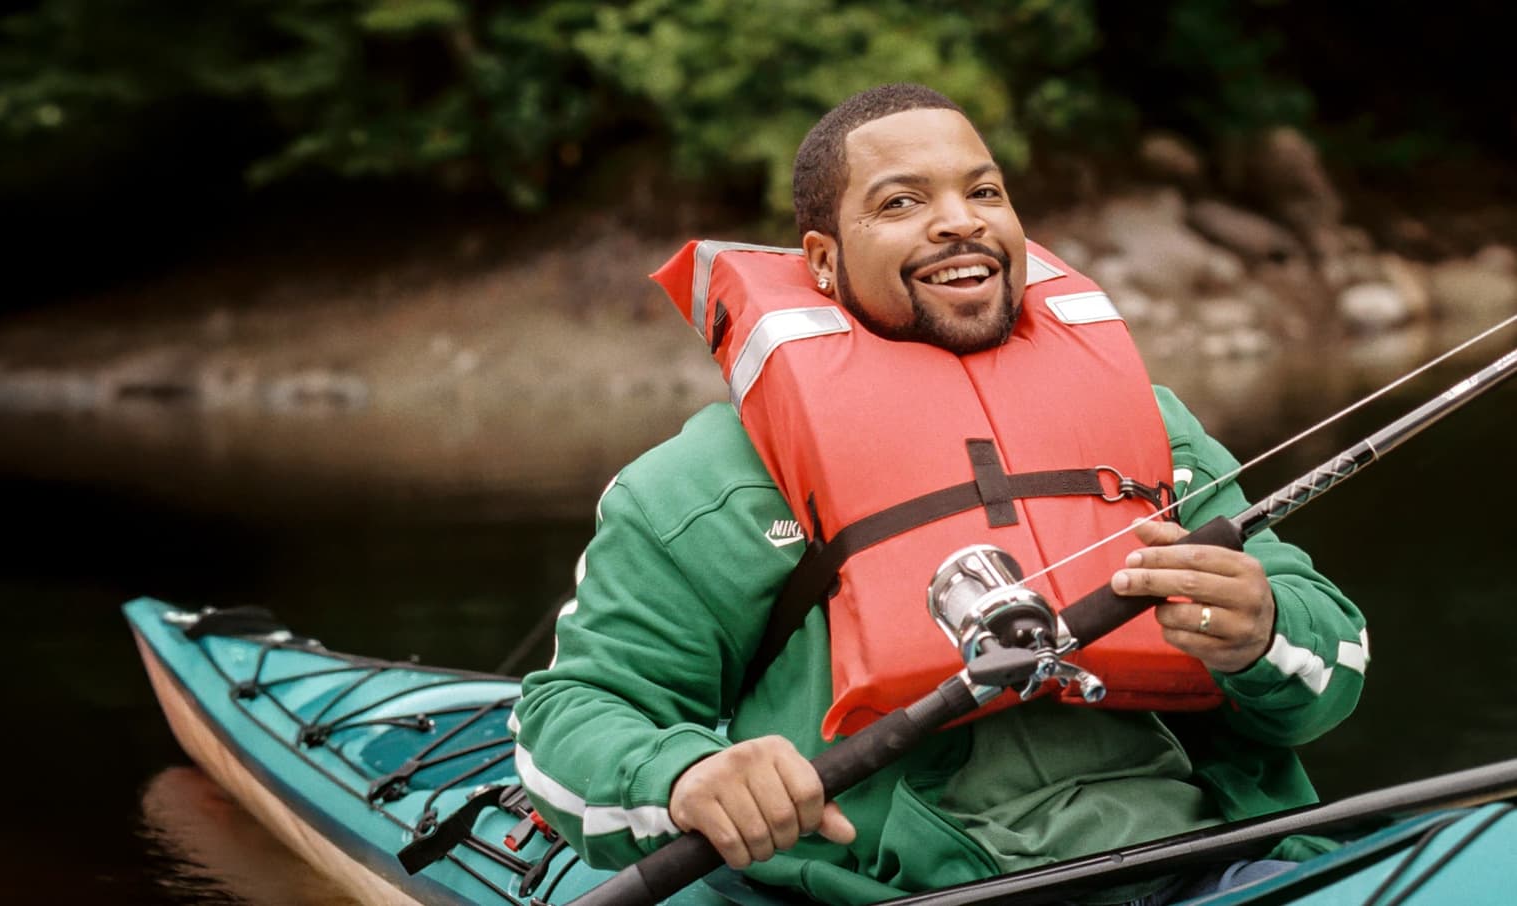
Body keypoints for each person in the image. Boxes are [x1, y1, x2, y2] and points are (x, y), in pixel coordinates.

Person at [511, 84, 1367, 905]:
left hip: (1210, 873)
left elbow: (1333, 664)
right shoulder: (699, 488)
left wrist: (1262, 630)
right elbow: (568, 717)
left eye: (984, 192)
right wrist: (685, 776)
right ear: (822, 261)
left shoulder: (1154, 428)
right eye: (901, 202)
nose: (961, 221)